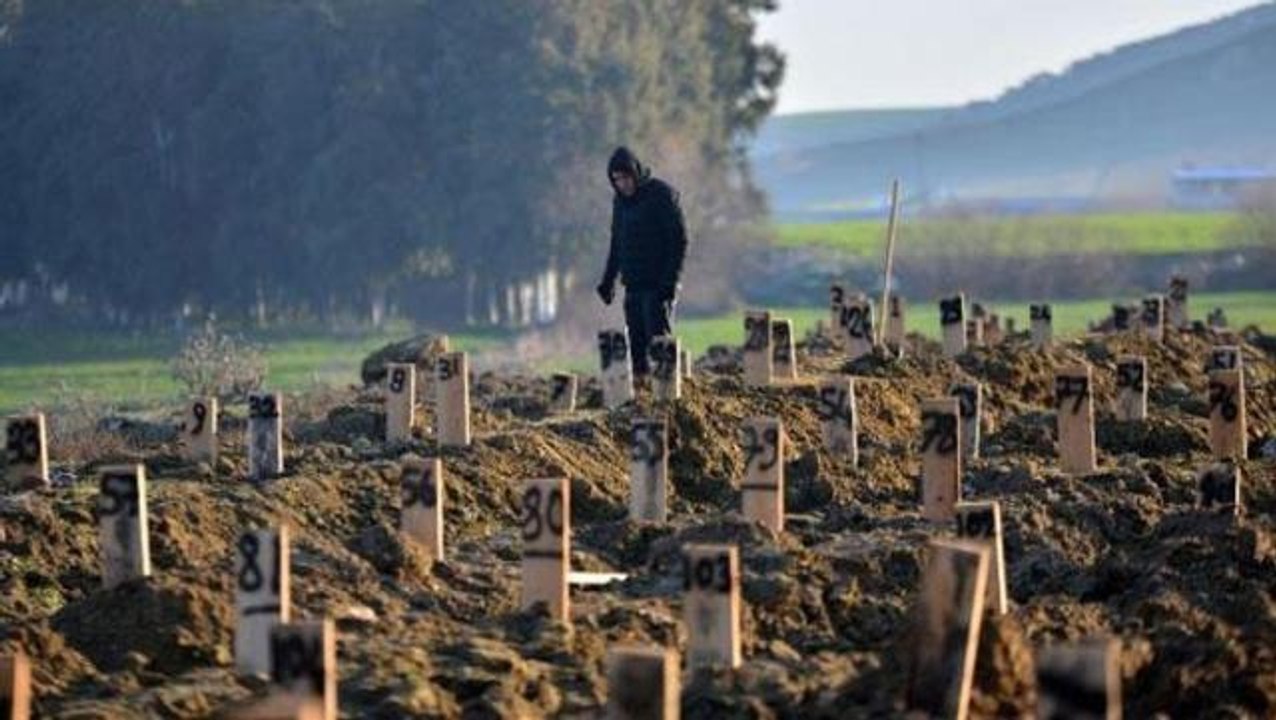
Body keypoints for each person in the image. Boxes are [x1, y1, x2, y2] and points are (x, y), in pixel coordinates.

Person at [596, 146, 689, 378]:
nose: (622, 184)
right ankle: (642, 396)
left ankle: (667, 398)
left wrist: (670, 281)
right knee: (636, 348)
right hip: (633, 285)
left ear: (635, 173)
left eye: (625, 177)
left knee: (658, 344)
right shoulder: (619, 203)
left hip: (658, 285)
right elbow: (617, 243)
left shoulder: (661, 195)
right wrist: (608, 281)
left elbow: (679, 241)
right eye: (616, 180)